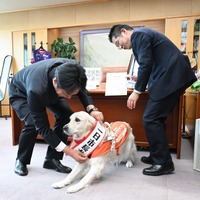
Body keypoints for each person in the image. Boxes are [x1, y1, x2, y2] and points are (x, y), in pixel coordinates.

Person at [108, 24, 197, 176]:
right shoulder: (142, 36)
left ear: (123, 32)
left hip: (172, 77)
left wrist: (137, 91)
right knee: (156, 119)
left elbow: (146, 63)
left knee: (151, 119)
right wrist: (140, 78)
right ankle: (157, 156)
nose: (120, 47)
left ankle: (163, 163)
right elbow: (152, 63)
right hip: (172, 76)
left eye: (118, 43)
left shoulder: (139, 36)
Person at [9, 58, 104, 176]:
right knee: (33, 123)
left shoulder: (74, 71)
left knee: (66, 116)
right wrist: (69, 151)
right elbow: (43, 128)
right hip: (21, 93)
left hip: (49, 91)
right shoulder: (36, 90)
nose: (69, 97)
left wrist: (91, 109)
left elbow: (82, 90)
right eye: (66, 94)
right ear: (55, 81)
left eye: (71, 93)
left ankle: (51, 159)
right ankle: (21, 160)